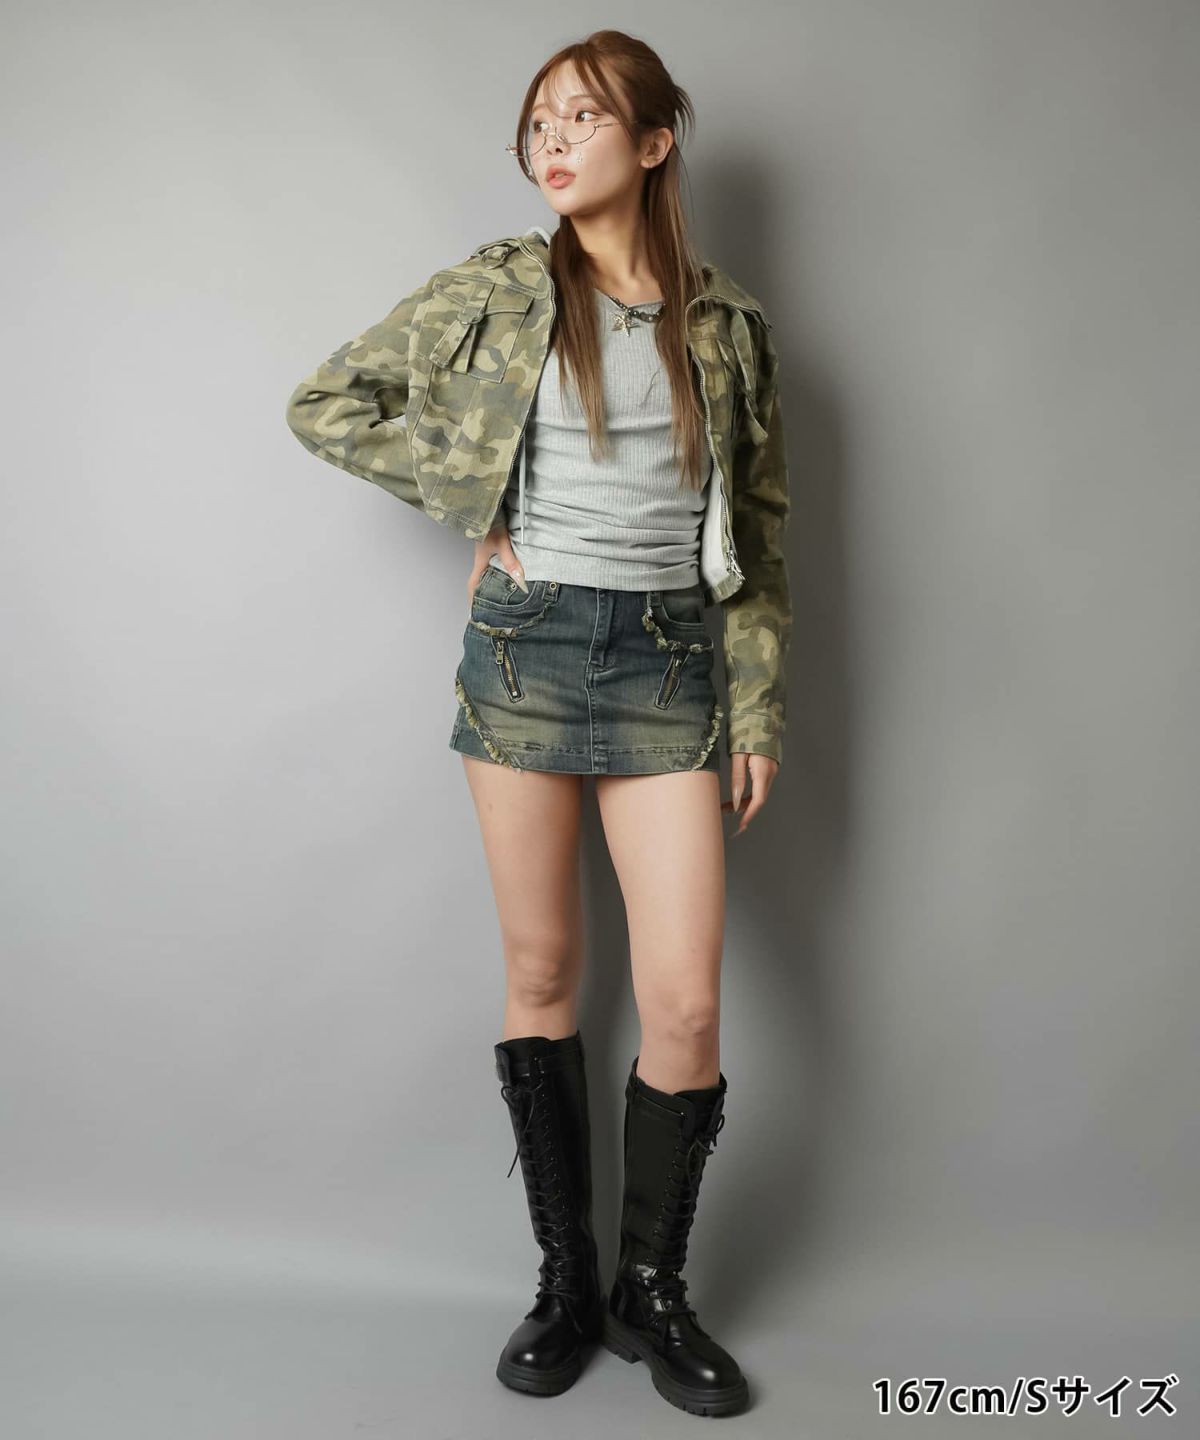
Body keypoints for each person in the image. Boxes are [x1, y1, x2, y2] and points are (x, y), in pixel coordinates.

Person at [284, 28, 791, 1420]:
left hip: (671, 662)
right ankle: (568, 1285)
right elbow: (327, 401)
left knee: (685, 1000)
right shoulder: (501, 287)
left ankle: (652, 1291)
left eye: (583, 118)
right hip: (525, 648)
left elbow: (757, 532)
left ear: (655, 141)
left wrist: (757, 704)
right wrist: (473, 498)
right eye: (538, 123)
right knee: (544, 969)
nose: (552, 143)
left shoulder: (728, 326)